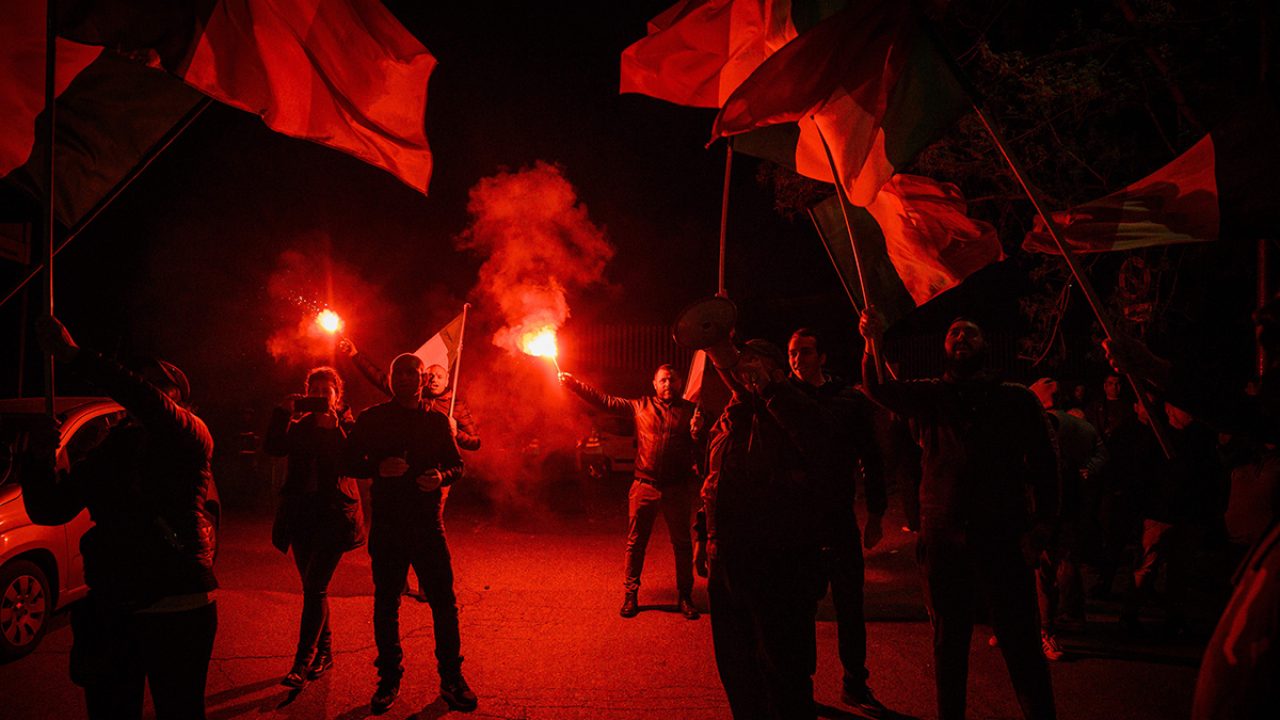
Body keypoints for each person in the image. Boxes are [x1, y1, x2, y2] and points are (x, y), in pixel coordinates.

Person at [859, 308, 1058, 720]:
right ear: (944, 348)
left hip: (1002, 537)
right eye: (954, 333)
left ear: (984, 346)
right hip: (945, 539)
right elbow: (879, 387)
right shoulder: (931, 395)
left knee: (1020, 642)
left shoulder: (1014, 398)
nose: (961, 337)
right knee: (949, 643)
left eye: (971, 332)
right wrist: (871, 341)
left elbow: (1045, 462)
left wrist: (1042, 526)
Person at [22, 315, 218, 720]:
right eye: (137, 379)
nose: (142, 388)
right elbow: (52, 507)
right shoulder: (110, 448)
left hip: (177, 604)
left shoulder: (191, 433)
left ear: (177, 396)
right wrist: (37, 459)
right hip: (112, 608)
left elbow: (148, 401)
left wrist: (75, 356)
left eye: (156, 382)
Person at [700, 339, 839, 720]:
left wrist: (772, 390)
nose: (746, 368)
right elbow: (713, 483)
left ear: (779, 370)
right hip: (728, 561)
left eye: (756, 361)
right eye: (742, 361)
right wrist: (705, 540)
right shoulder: (730, 417)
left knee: (784, 671)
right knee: (737, 668)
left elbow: (818, 442)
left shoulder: (798, 406)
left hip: (780, 564)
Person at [343, 353, 475, 713]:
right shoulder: (373, 419)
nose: (403, 379)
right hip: (388, 525)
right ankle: (389, 678)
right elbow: (349, 461)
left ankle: (451, 677)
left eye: (411, 374)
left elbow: (457, 465)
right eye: (397, 373)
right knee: (387, 603)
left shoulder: (436, 422)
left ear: (422, 380)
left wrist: (440, 478)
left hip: (427, 525)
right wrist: (376, 466)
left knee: (444, 604)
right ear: (391, 379)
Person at [786, 328, 892, 715]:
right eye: (793, 353)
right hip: (797, 520)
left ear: (823, 357)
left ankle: (855, 684)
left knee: (850, 605)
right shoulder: (782, 399)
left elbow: (872, 457)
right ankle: (801, 686)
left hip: (838, 517)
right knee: (800, 607)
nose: (798, 359)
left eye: (806, 352)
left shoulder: (848, 400)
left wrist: (877, 513)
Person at [560, 364, 703, 619]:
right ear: (654, 384)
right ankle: (630, 595)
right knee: (636, 544)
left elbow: (702, 446)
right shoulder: (641, 406)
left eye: (672, 380)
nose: (668, 384)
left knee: (682, 544)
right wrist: (574, 384)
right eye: (663, 380)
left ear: (680, 383)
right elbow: (605, 401)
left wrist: (697, 432)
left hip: (676, 488)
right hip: (644, 486)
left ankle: (685, 596)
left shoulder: (692, 412)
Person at [263, 367, 365, 688]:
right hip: (302, 517)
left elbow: (355, 463)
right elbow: (274, 447)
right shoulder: (301, 425)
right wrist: (282, 412)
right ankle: (326, 652)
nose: (321, 395)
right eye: (315, 390)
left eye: (327, 390)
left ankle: (301, 663)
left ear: (338, 394)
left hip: (334, 518)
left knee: (315, 586)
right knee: (313, 587)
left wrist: (335, 431)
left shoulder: (347, 425)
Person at [1028, 377, 1107, 659]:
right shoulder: (1080, 426)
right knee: (1056, 565)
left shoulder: (1041, 425)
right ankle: (1051, 624)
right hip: (1066, 506)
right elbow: (1099, 452)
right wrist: (1088, 471)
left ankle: (1044, 632)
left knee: (1041, 570)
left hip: (1044, 509)